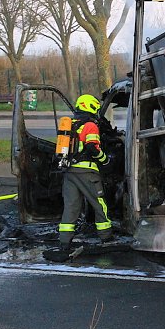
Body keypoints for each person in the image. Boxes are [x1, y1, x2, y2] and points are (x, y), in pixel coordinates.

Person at [59, 94, 113, 248]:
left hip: (69, 172)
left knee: (71, 206)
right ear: (90, 107)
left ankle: (64, 241)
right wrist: (105, 160)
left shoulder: (69, 124)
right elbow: (92, 147)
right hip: (86, 172)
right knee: (99, 204)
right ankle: (106, 237)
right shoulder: (90, 126)